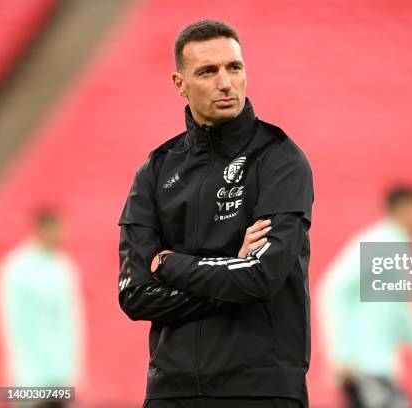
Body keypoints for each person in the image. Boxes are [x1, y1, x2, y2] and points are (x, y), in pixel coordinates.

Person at [117, 20, 314, 408]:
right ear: (179, 83)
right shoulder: (155, 169)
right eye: (208, 71)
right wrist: (230, 270)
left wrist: (170, 264)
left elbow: (261, 276)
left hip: (260, 389)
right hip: (171, 391)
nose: (225, 82)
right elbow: (135, 294)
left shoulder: (281, 159)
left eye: (234, 67)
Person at [319, 186, 412, 408]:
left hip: (379, 369)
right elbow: (334, 288)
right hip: (363, 369)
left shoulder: (398, 248)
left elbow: (403, 320)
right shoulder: (381, 243)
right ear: (405, 209)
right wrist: (341, 355)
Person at [0, 209, 84, 407]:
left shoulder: (65, 266)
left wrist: (73, 371)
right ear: (41, 229)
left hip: (61, 371)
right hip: (29, 373)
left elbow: (71, 322)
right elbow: (13, 325)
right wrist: (26, 376)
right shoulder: (17, 267)